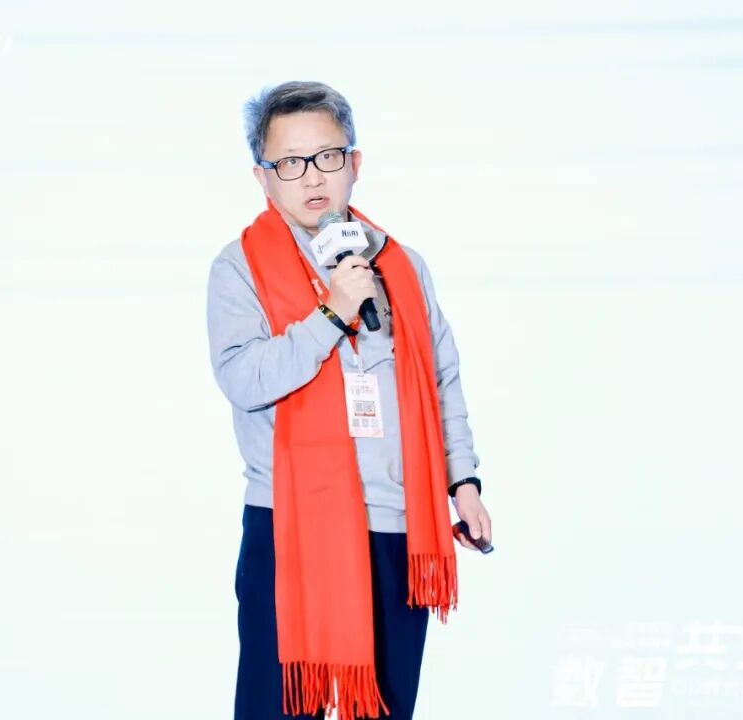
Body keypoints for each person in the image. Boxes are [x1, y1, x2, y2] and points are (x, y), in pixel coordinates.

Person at [206, 80, 490, 720]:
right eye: (290, 162)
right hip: (289, 526)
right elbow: (244, 379)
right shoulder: (239, 268)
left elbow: (441, 379)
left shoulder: (402, 266)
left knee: (385, 708)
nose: (313, 177)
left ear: (355, 163)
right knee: (278, 707)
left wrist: (463, 482)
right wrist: (331, 313)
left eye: (328, 156)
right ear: (262, 177)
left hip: (395, 523)